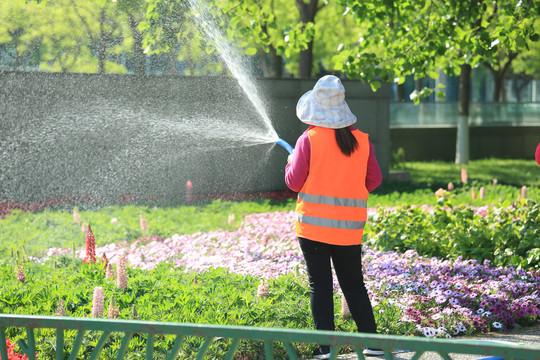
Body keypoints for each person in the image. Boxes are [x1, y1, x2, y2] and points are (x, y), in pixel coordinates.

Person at [284, 75, 384, 359]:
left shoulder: (309, 139)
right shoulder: (361, 141)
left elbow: (294, 183)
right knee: (354, 283)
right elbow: (374, 180)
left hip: (313, 228)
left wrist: (291, 162)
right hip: (349, 229)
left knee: (321, 285)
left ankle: (325, 348)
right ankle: (373, 344)